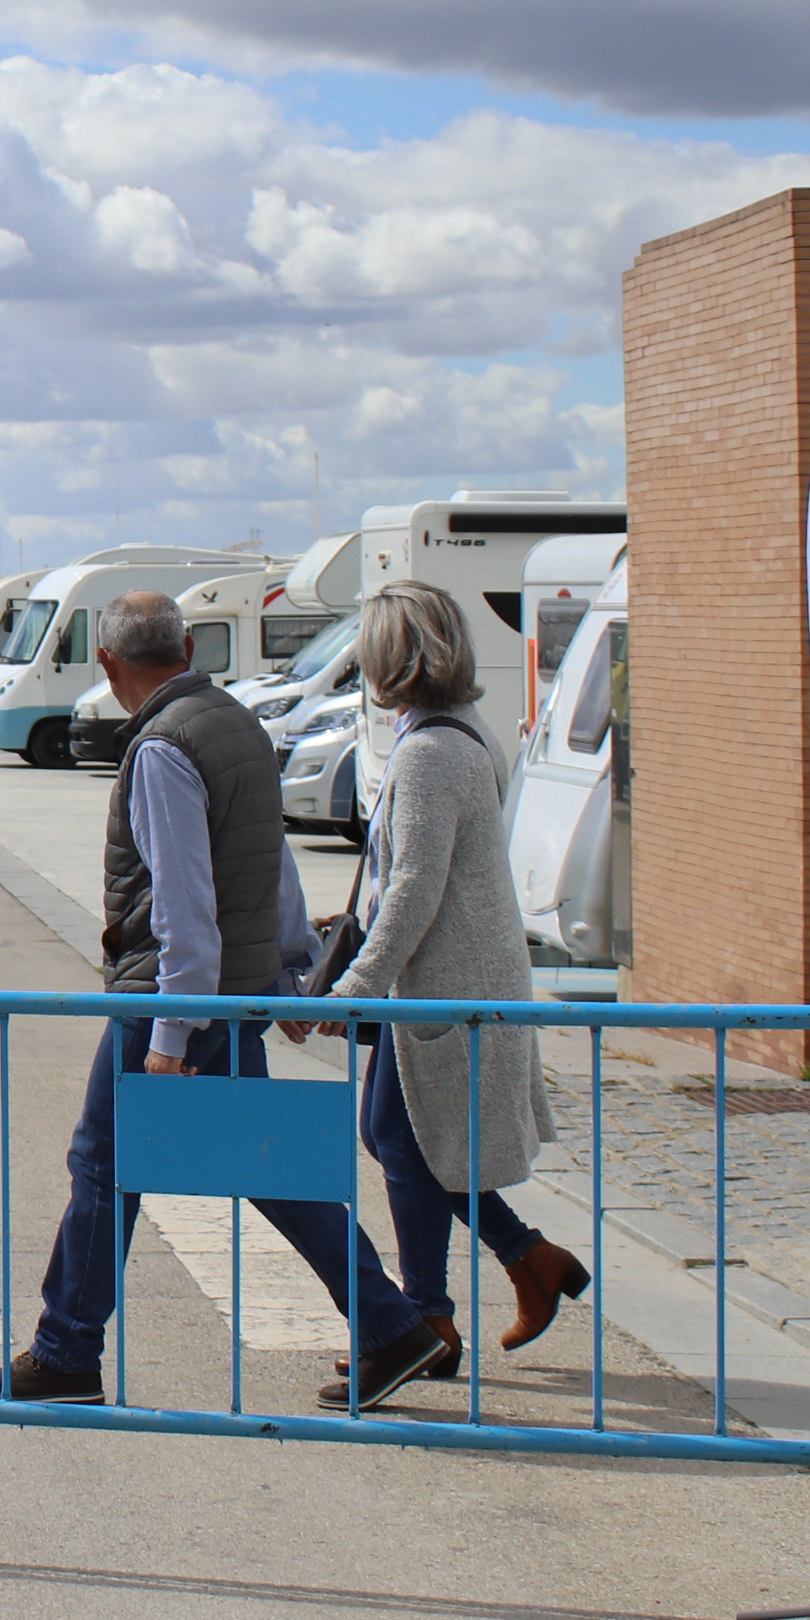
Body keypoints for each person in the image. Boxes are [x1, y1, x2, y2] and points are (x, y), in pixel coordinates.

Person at [0, 590, 445, 1408]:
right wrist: (292, 971)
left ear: (108, 664)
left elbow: (182, 910)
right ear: (187, 646)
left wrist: (169, 1035)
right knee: (260, 1159)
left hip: (176, 997)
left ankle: (67, 1351)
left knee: (102, 1164)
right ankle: (391, 1325)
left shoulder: (159, 748)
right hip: (236, 993)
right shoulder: (238, 725)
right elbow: (274, 869)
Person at [304, 580, 584, 1395]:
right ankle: (522, 1262)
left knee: (404, 1140)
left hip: (445, 992)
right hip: (452, 986)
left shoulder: (431, 752)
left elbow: (417, 888)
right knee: (404, 1137)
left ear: (393, 659)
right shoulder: (460, 734)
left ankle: (431, 1317)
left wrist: (355, 985)